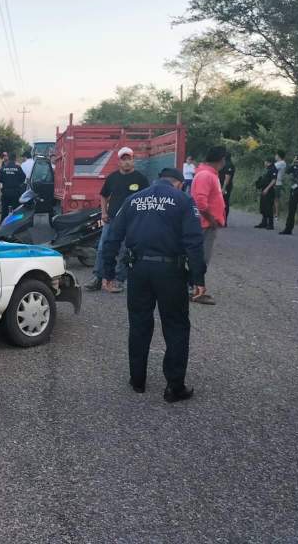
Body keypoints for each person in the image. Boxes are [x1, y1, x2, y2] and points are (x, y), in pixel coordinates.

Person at [101, 167, 205, 403]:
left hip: (138, 270)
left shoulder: (133, 200)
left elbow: (113, 237)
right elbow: (194, 241)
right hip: (170, 271)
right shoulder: (183, 199)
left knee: (139, 324)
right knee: (176, 326)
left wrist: (108, 272)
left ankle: (137, 380)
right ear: (178, 183)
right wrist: (198, 277)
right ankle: (174, 387)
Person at [84, 146, 150, 294]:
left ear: (133, 160)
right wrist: (104, 213)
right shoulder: (112, 178)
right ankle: (98, 278)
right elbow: (103, 195)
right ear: (119, 162)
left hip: (132, 222)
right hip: (112, 220)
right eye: (123, 159)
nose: (126, 162)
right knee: (103, 249)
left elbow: (147, 200)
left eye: (129, 159)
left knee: (124, 250)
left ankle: (119, 280)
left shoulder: (141, 179)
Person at [190, 145, 226, 305]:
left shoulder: (209, 174)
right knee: (201, 258)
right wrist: (212, 220)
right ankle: (196, 290)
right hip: (205, 224)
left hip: (206, 223)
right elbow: (201, 203)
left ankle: (195, 288)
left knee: (201, 258)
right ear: (221, 160)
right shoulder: (206, 175)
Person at [0, 151, 26, 218]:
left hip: (6, 193)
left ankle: (3, 226)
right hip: (16, 192)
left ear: (8, 158)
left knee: (4, 211)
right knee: (16, 211)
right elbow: (23, 178)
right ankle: (15, 226)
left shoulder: (3, 168)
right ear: (15, 158)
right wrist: (17, 182)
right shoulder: (18, 168)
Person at [254, 158, 278, 230]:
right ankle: (264, 222)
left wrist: (267, 189)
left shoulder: (273, 169)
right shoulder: (268, 169)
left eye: (265, 162)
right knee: (263, 206)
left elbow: (274, 180)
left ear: (268, 162)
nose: (264, 163)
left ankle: (270, 224)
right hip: (264, 189)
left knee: (269, 207)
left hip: (269, 190)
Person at [218, 152, 235, 226]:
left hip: (225, 187)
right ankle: (220, 220)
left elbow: (227, 177)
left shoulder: (229, 165)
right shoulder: (224, 164)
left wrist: (224, 188)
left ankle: (224, 221)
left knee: (225, 203)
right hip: (220, 186)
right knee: (220, 203)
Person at [273, 150, 287, 221]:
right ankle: (274, 214)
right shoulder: (280, 163)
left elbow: (272, 168)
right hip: (276, 183)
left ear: (278, 156)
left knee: (276, 200)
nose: (275, 156)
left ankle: (276, 215)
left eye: (276, 155)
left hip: (277, 183)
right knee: (275, 199)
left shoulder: (281, 163)